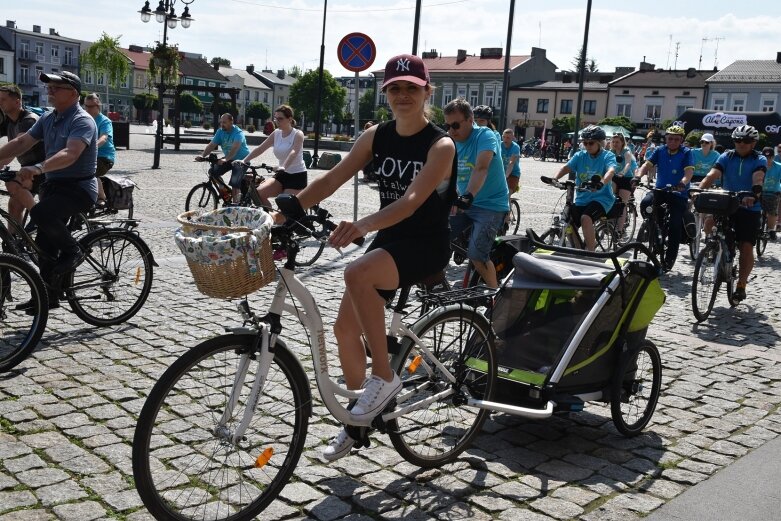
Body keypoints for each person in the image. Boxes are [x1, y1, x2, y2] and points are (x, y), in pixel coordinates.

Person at [275, 54, 456, 461]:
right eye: (395, 88)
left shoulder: (440, 144)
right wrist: (287, 210)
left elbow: (411, 202)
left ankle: (384, 377)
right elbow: (332, 178)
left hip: (426, 242)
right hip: (392, 239)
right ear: (385, 93)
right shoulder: (377, 135)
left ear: (427, 92)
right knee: (342, 331)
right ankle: (358, 422)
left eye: (412, 87)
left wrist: (362, 225)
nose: (403, 95)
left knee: (356, 272)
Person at [0, 72, 97, 310]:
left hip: (79, 188)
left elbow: (70, 154)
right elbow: (22, 143)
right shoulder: (48, 118)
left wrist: (38, 167)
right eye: (49, 86)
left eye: (57, 87)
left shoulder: (82, 120)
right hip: (53, 187)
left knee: (41, 213)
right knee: (44, 243)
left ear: (73, 93)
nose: (50, 90)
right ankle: (47, 297)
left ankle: (74, 251)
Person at [444, 98, 509, 287]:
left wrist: (469, 195)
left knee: (477, 255)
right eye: (447, 125)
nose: (451, 130)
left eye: (455, 125)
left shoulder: (485, 135)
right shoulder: (451, 142)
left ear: (470, 119)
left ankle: (494, 294)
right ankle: (435, 284)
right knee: (436, 239)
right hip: (464, 202)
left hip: (490, 205)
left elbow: (481, 167)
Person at [698, 125, 766, 301]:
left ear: (753, 143)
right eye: (737, 140)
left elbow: (758, 178)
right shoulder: (726, 155)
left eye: (746, 141)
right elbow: (712, 174)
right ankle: (713, 248)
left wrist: (754, 194)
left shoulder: (759, 158)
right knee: (709, 223)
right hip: (728, 203)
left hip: (749, 207)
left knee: (746, 246)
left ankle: (741, 284)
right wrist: (699, 190)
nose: (741, 144)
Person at [635, 125, 694, 272]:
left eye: (676, 139)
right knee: (646, 203)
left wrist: (682, 183)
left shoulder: (686, 152)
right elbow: (646, 165)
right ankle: (654, 229)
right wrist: (637, 176)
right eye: (670, 138)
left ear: (681, 140)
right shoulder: (660, 151)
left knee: (674, 225)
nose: (672, 141)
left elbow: (688, 173)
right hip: (660, 190)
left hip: (677, 193)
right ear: (666, 139)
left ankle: (669, 260)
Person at [553, 125, 617, 251]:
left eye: (591, 143)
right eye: (585, 143)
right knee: (568, 220)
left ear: (599, 143)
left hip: (602, 199)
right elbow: (566, 168)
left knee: (585, 218)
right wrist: (554, 178)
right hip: (583, 199)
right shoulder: (580, 156)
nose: (587, 146)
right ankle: (578, 250)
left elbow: (611, 170)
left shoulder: (607, 156)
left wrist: (602, 183)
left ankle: (590, 253)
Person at [240, 105, 306, 207]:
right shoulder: (276, 133)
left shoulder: (297, 134)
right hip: (282, 174)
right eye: (275, 118)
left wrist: (283, 166)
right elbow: (261, 148)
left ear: (290, 119)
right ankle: (271, 219)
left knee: (284, 205)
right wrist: (244, 160)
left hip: (296, 176)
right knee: (258, 193)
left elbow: (294, 152)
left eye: (280, 118)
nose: (277, 121)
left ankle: (288, 220)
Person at [0, 83, 45, 232]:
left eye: (3, 99)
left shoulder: (29, 120)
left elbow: (17, 147)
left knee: (13, 184)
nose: (0, 103)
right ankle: (13, 246)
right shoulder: (8, 121)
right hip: (27, 167)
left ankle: (41, 218)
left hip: (43, 168)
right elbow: (7, 153)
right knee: (14, 205)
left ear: (17, 101)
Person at [195, 113, 249, 203]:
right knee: (213, 172)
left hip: (242, 159)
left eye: (224, 122)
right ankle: (225, 193)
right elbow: (212, 144)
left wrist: (225, 159)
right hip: (229, 158)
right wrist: (203, 155)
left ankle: (236, 207)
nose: (222, 124)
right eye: (221, 122)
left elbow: (235, 148)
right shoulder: (220, 132)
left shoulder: (238, 133)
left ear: (231, 122)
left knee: (235, 183)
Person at [83, 93, 115, 206]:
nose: (86, 109)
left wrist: (93, 146)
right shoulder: (84, 120)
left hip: (104, 157)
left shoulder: (104, 121)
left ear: (97, 106)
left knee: (90, 171)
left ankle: (101, 197)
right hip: (88, 156)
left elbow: (104, 138)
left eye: (90, 106)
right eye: (85, 106)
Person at [610, 132, 637, 235]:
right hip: (615, 177)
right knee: (610, 197)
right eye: (613, 142)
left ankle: (619, 230)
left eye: (617, 142)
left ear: (622, 142)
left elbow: (628, 164)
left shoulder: (626, 151)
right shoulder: (611, 152)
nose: (615, 143)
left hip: (626, 178)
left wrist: (622, 172)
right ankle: (610, 221)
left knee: (622, 204)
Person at [760, 147, 781, 240]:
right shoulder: (757, 165)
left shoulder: (779, 166)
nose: (767, 160)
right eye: (765, 157)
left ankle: (771, 230)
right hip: (759, 192)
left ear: (773, 157)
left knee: (772, 211)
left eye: (770, 157)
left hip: (773, 192)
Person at [500, 128, 521, 194]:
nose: (505, 139)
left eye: (508, 138)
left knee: (507, 193)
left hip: (513, 174)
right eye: (504, 137)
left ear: (512, 138)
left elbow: (511, 163)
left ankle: (508, 203)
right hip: (501, 173)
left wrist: (505, 176)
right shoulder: (499, 145)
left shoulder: (515, 147)